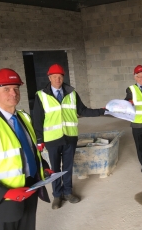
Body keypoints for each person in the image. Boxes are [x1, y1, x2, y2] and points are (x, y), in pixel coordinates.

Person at [33, 64, 106, 209]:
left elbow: (83, 110)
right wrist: (39, 140)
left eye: (60, 76)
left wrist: (102, 111)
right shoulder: (41, 95)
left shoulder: (72, 93)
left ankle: (67, 192)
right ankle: (57, 195)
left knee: (67, 167)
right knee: (54, 168)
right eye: (54, 76)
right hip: (52, 139)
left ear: (63, 77)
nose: (57, 79)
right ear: (49, 78)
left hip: (70, 137)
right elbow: (37, 119)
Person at [0, 68, 51, 230]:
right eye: (6, 89)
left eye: (16, 88)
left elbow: (30, 151)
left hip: (30, 187)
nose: (13, 93)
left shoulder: (24, 117)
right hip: (5, 198)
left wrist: (45, 168)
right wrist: (3, 193)